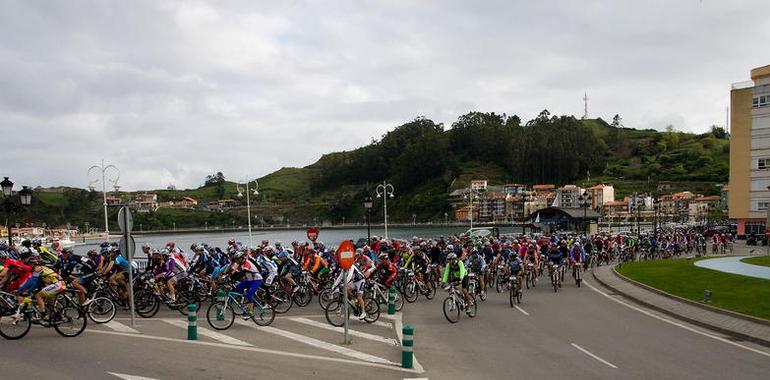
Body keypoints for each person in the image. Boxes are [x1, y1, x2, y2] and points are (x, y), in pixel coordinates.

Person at [232, 252, 263, 319]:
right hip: (250, 280)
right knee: (238, 287)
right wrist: (231, 278)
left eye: (238, 259)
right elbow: (238, 273)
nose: (237, 261)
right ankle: (247, 301)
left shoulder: (247, 263)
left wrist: (236, 276)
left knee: (249, 294)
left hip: (257, 280)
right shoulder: (242, 264)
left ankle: (250, 312)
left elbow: (243, 272)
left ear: (242, 258)